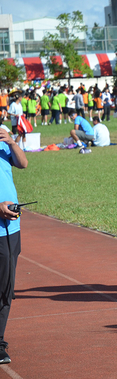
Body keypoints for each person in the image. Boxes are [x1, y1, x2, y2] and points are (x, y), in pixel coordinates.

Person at [0, 125, 28, 364]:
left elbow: (23, 163)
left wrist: (10, 142)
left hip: (10, 229)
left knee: (5, 287)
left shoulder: (3, 138)